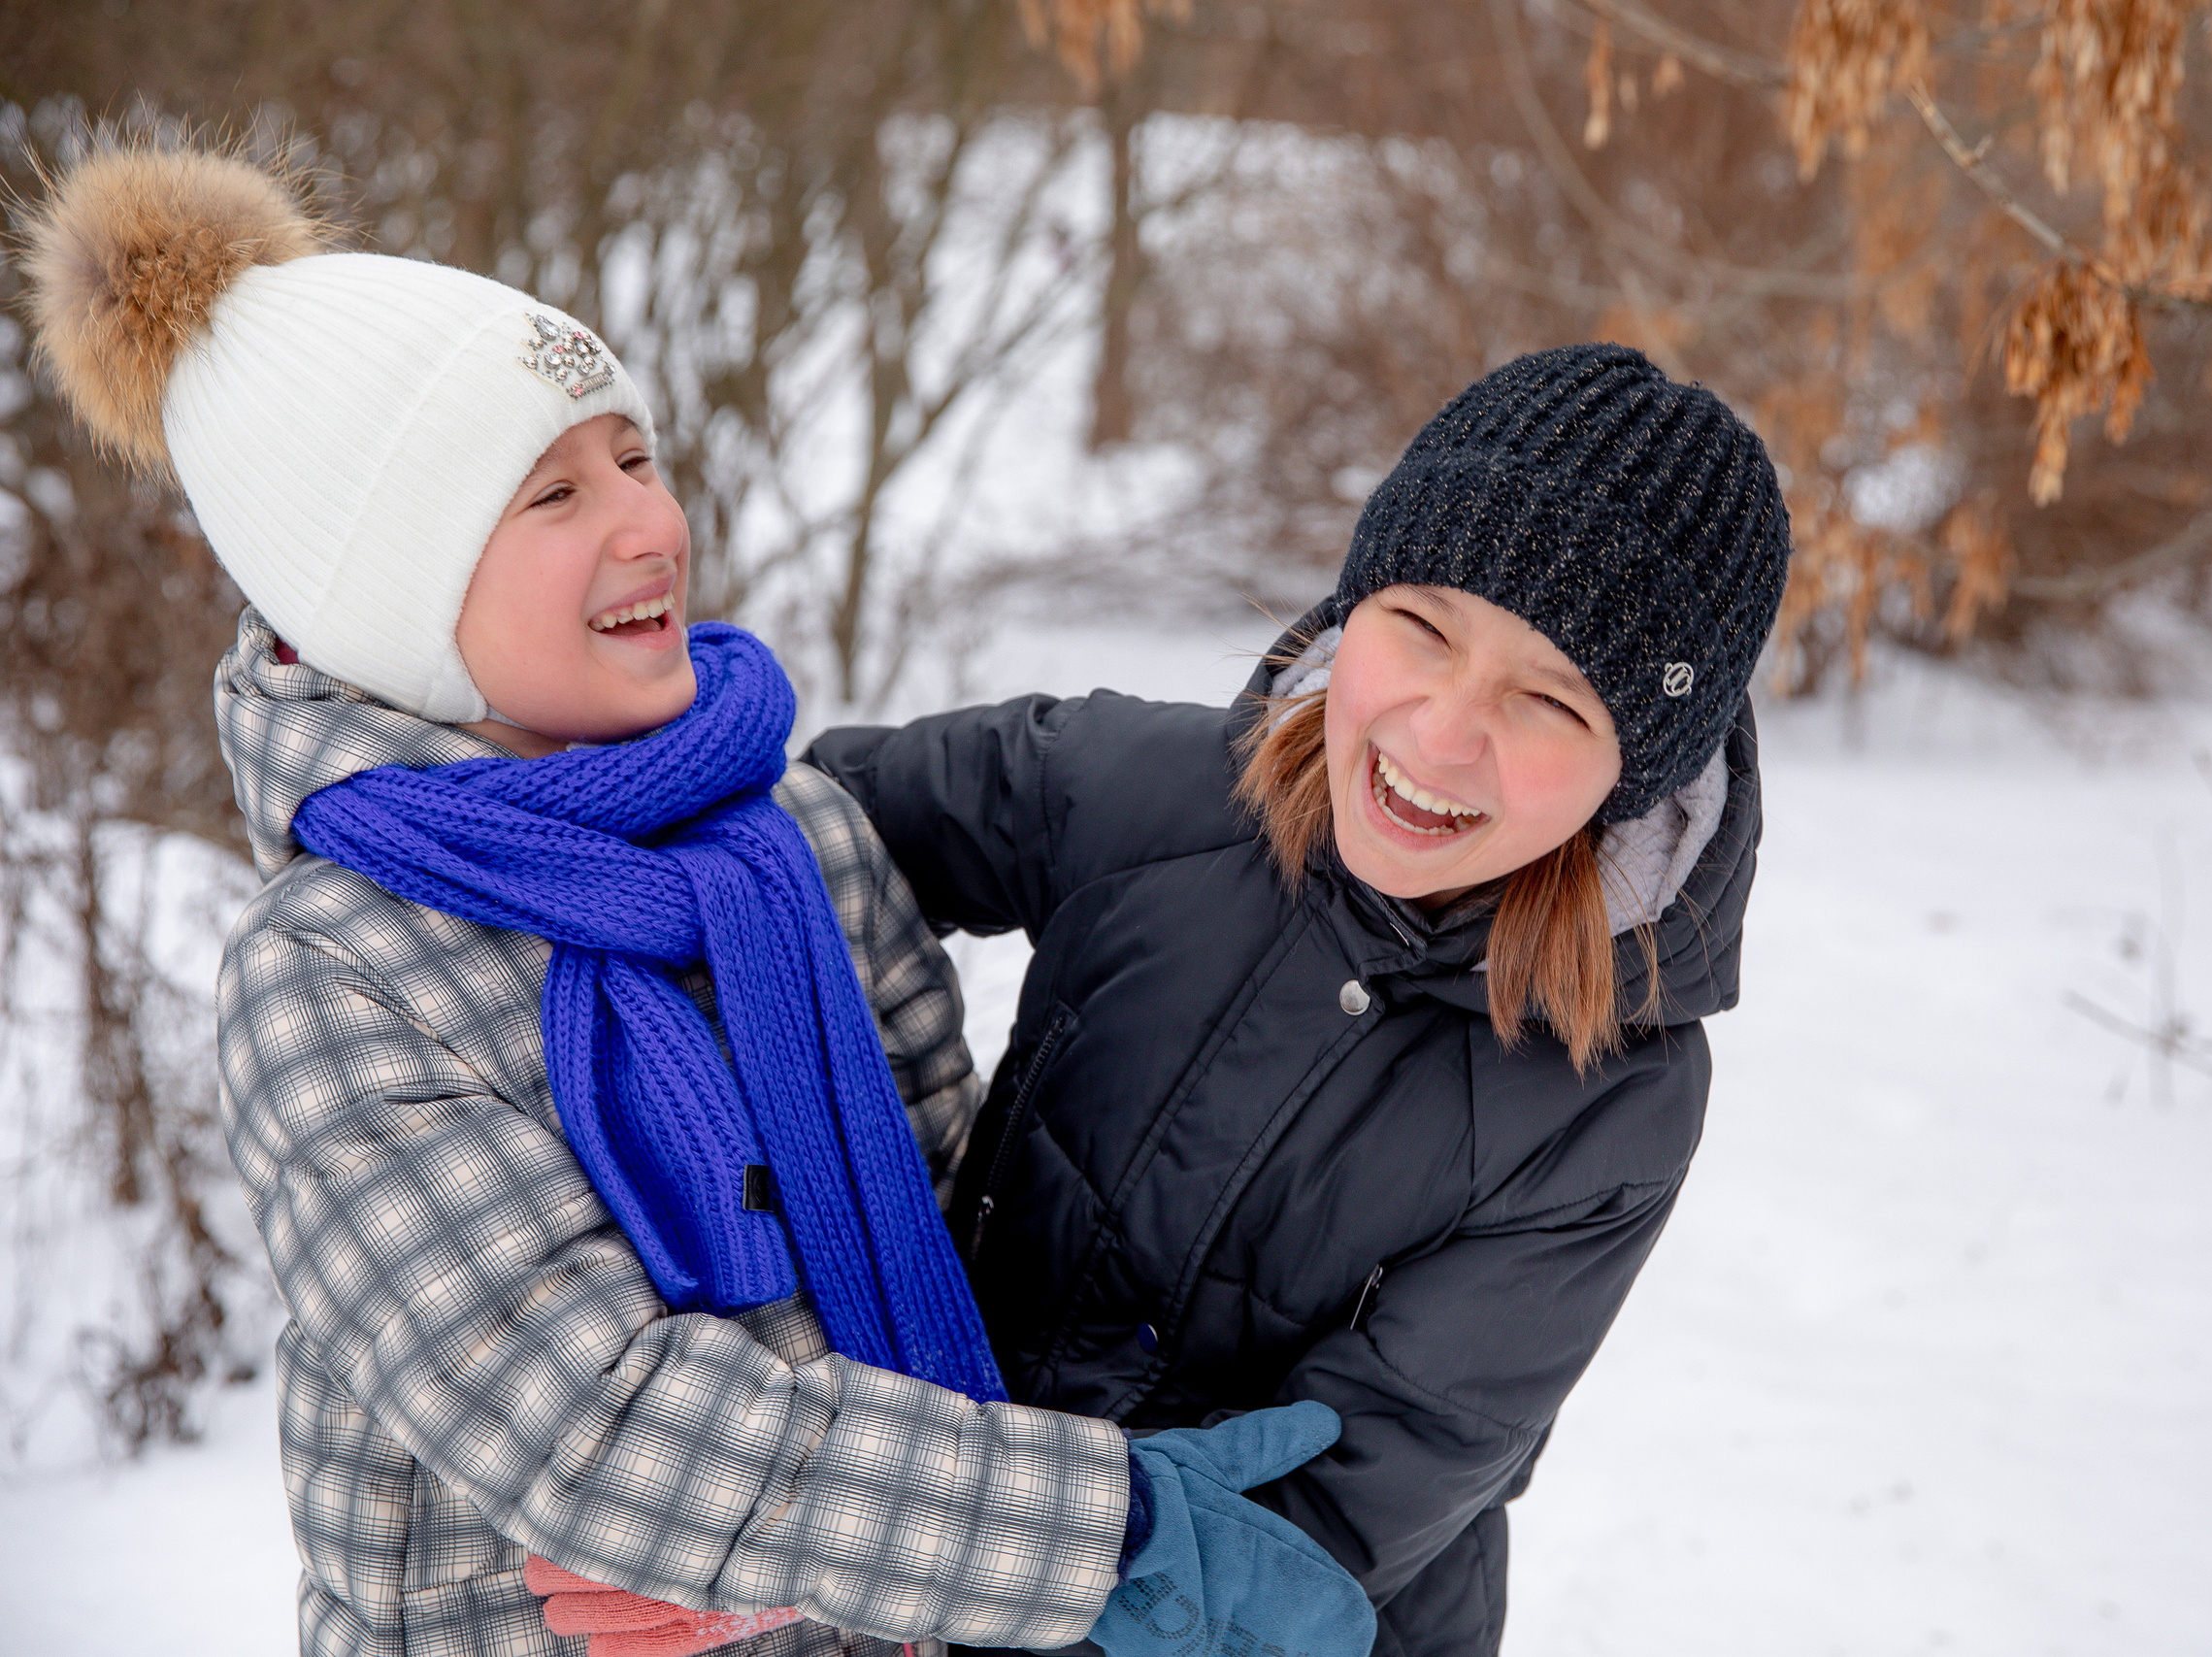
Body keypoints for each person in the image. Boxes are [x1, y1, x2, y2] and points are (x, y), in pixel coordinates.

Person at [23, 143, 1372, 1657]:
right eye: (550, 493)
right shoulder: (338, 975)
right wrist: (1099, 1532)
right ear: (387, 606)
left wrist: (827, 1562)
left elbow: (951, 1233)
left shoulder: (788, 826)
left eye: (634, 455)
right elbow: (590, 1426)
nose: (648, 523)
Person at [804, 343, 1791, 1657]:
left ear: (1637, 772)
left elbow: (1348, 1490)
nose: (1443, 736)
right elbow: (795, 846)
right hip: (933, 1549)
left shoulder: (1608, 1099)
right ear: (1352, 611)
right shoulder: (1136, 791)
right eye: (1423, 629)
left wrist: (921, 1547)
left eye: (1549, 700)